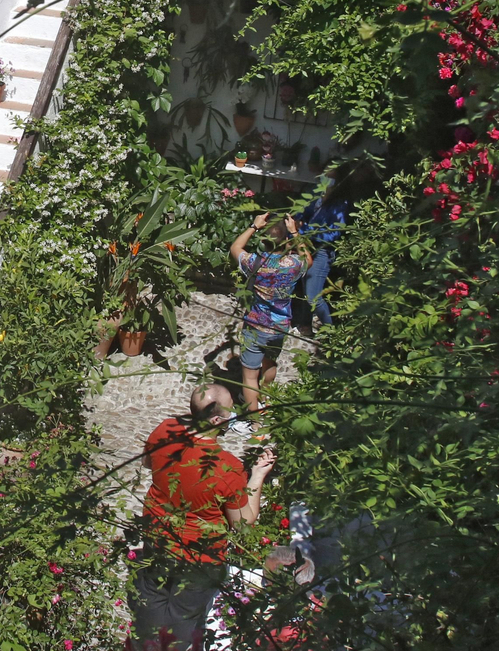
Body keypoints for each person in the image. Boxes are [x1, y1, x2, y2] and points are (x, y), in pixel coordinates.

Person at [130, 383, 277, 651]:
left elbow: (147, 463)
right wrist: (257, 476)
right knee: (183, 615)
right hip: (200, 556)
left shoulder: (166, 429)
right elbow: (243, 524)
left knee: (151, 601)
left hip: (158, 537)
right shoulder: (225, 467)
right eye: (232, 408)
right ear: (218, 420)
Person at [229, 213, 311, 419]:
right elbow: (308, 259)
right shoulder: (293, 264)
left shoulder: (255, 262)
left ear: (263, 241)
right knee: (270, 362)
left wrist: (254, 226)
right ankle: (265, 399)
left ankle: (256, 423)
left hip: (256, 326)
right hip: (280, 326)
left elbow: (235, 248)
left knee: (249, 377)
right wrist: (294, 231)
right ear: (286, 241)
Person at [295, 173, 352, 332]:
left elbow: (334, 233)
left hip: (322, 251)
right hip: (307, 247)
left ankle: (331, 332)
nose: (325, 181)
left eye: (330, 178)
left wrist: (305, 230)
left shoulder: (340, 205)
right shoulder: (316, 196)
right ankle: (305, 324)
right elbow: (304, 214)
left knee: (313, 296)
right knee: (305, 287)